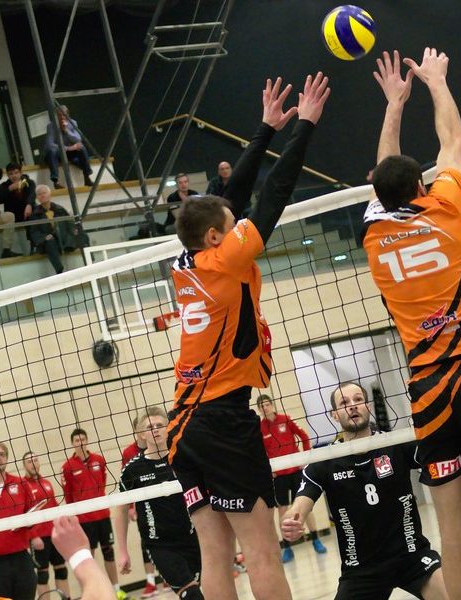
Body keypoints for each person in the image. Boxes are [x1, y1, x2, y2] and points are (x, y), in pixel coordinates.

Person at [362, 49, 461, 600]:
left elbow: (385, 173)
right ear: (421, 187)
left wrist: (393, 105)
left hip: (428, 387)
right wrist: (435, 82)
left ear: (379, 195)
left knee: (452, 537)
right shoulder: (446, 207)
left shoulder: (374, 233)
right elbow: (453, 141)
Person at [166, 72, 330, 600]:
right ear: (217, 237)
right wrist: (305, 125)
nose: (238, 224)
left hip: (182, 425)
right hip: (222, 421)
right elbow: (272, 196)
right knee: (261, 552)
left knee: (215, 556)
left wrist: (264, 130)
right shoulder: (226, 262)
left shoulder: (186, 259)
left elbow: (230, 198)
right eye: (230, 225)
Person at [281, 381, 446, 600]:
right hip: (361, 570)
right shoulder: (324, 462)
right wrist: (294, 518)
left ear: (368, 406)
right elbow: (302, 500)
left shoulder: (395, 444)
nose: (352, 405)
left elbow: (438, 456)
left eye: (358, 400)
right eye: (344, 403)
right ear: (334, 415)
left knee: (453, 594)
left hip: (412, 556)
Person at [115, 408, 204, 599]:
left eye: (159, 425)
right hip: (159, 545)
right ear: (141, 434)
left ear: (168, 428)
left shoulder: (183, 458)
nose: (155, 430)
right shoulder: (132, 470)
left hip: (192, 537)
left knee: (198, 590)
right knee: (192, 594)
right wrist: (122, 551)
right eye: (149, 427)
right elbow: (120, 510)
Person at [256, 393, 327, 562]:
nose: (265, 408)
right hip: (278, 476)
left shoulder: (286, 419)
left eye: (267, 404)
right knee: (282, 511)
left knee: (305, 507)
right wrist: (269, 469)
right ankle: (287, 548)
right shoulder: (260, 428)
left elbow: (304, 436)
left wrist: (305, 458)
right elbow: (259, 451)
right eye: (261, 406)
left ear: (272, 405)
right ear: (259, 410)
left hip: (296, 471)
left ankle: (315, 539)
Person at [61, 428, 127, 600]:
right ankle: (92, 594)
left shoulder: (99, 460)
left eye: (83, 439)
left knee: (109, 552)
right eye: (77, 440)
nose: (81, 443)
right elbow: (68, 495)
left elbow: (103, 482)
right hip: (83, 519)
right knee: (87, 558)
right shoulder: (67, 467)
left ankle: (116, 590)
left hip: (102, 515)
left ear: (87, 440)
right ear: (72, 444)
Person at [22, 450, 71, 600]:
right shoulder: (23, 485)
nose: (34, 464)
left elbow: (55, 506)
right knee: (42, 575)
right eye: (29, 461)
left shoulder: (47, 483)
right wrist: (33, 536)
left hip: (54, 535)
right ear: (24, 465)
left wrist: (62, 528)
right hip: (39, 537)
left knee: (61, 570)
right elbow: (24, 514)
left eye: (35, 460)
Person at [121, 415, 158, 598]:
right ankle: (151, 582)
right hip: (142, 504)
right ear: (138, 431)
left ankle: (169, 578)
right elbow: (126, 484)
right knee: (146, 542)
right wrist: (130, 507)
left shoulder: (159, 445)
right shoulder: (129, 452)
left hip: (163, 500)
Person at [0, 441, 38, 600]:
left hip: (21, 558)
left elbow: (32, 514)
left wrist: (29, 522)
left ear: (7, 458)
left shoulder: (20, 483)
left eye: (1, 454)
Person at [51, 515, 116, 600]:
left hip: (101, 517)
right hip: (86, 521)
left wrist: (78, 555)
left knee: (108, 553)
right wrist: (80, 554)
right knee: (48, 574)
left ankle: (117, 589)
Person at [29, 184, 78, 274]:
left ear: (49, 194)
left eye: (44, 193)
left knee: (79, 233)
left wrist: (74, 230)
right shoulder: (35, 214)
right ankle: (59, 269)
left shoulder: (60, 209)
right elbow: (34, 231)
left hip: (62, 236)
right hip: (47, 242)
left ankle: (89, 258)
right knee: (50, 241)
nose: (42, 195)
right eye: (39, 194)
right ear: (37, 198)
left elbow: (69, 223)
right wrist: (44, 237)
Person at [44, 105, 94, 189]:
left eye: (64, 115)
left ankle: (87, 177)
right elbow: (50, 144)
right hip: (58, 153)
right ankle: (55, 182)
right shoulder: (51, 126)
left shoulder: (73, 123)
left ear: (68, 115)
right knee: (51, 151)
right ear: (56, 116)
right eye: (59, 115)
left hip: (69, 153)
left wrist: (66, 130)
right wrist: (68, 148)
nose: (62, 117)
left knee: (81, 147)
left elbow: (78, 139)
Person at [0, 162, 36, 257]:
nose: (14, 176)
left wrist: (29, 204)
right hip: (14, 215)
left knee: (35, 211)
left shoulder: (29, 182)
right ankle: (7, 251)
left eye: (16, 172)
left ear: (20, 172)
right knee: (11, 215)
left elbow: (32, 194)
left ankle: (34, 245)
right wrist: (9, 189)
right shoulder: (5, 186)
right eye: (11, 174)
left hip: (27, 213)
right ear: (7, 175)